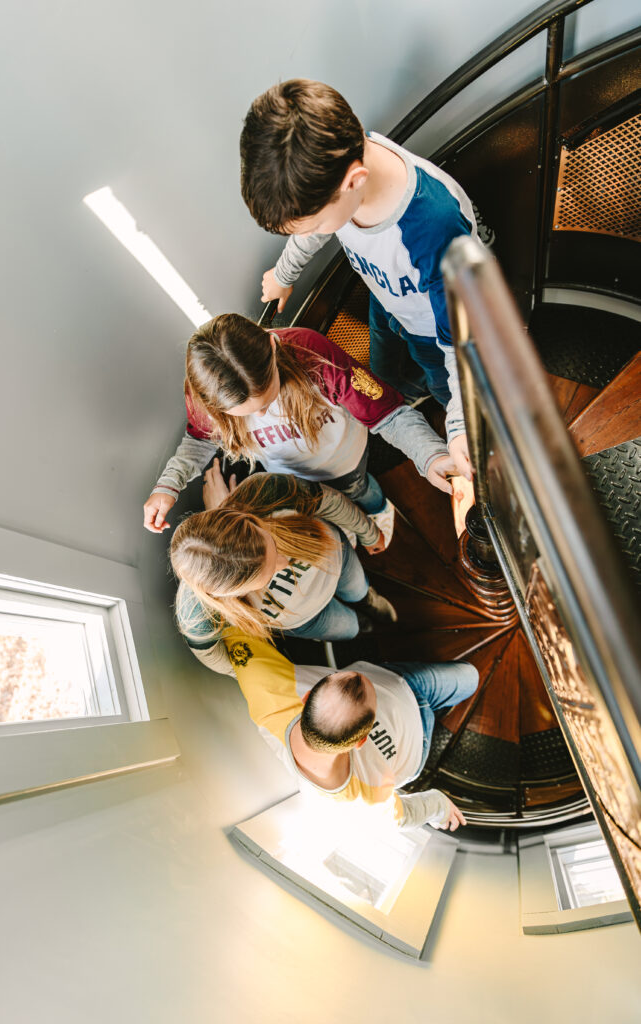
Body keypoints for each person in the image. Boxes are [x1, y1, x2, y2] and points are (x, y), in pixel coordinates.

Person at [239, 78, 478, 482]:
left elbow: (464, 337)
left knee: (444, 385)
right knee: (385, 376)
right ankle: (409, 401)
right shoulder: (333, 158)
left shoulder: (432, 229)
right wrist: (283, 275)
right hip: (387, 303)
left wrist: (459, 424)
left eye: (316, 220)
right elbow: (311, 231)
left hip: (437, 333)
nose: (314, 230)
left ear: (354, 180)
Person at [143, 314, 456, 536]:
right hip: (288, 472)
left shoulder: (310, 352)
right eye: (245, 413)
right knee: (328, 506)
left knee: (361, 490)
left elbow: (388, 412)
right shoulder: (200, 394)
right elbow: (199, 440)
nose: (263, 416)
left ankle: (377, 509)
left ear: (273, 346)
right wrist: (169, 484)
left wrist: (429, 454)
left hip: (344, 459)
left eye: (267, 401)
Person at [222, 629, 478, 830]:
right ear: (360, 741)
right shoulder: (361, 801)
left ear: (307, 696)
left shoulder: (271, 691)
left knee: (468, 679)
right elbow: (402, 817)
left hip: (397, 678)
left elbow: (224, 621)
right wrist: (439, 806)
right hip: (417, 736)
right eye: (373, 701)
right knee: (471, 678)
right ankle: (438, 710)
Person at [170, 470, 398, 674]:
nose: (284, 564)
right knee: (351, 629)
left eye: (274, 547)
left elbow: (330, 502)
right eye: (267, 576)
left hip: (337, 558)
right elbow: (213, 657)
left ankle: (370, 603)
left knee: (361, 591)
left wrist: (368, 532)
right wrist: (248, 670)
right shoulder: (196, 614)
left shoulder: (265, 492)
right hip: (306, 619)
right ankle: (366, 626)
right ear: (230, 593)